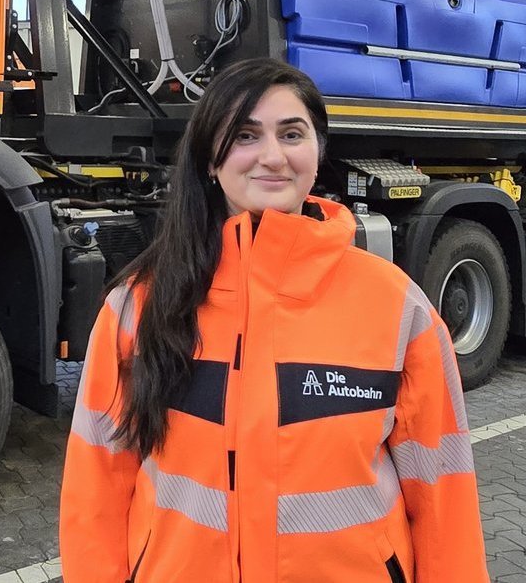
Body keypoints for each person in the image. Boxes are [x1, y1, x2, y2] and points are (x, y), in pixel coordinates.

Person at [60, 59, 489, 582]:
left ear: (317, 151)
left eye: (292, 133)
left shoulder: (398, 309)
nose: (272, 156)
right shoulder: (138, 307)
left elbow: (443, 496)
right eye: (244, 135)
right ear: (211, 162)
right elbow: (96, 489)